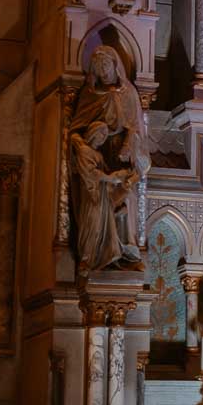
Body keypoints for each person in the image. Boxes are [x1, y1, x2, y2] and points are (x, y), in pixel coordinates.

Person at [68, 46, 149, 272]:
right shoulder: (90, 94)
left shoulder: (129, 92)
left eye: (106, 65)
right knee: (96, 205)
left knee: (125, 200)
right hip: (97, 154)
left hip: (122, 154)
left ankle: (127, 252)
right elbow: (76, 127)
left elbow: (135, 127)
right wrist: (78, 141)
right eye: (98, 67)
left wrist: (126, 145)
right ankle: (94, 254)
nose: (103, 71)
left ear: (115, 65)